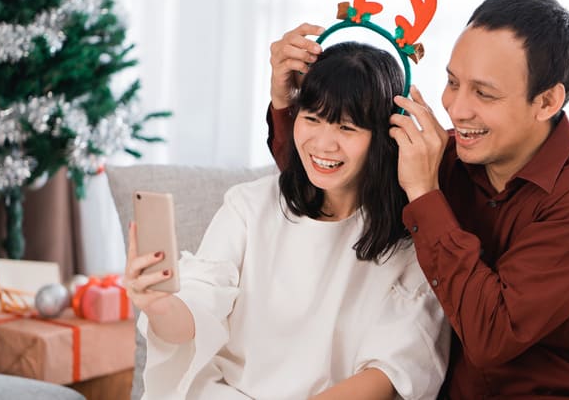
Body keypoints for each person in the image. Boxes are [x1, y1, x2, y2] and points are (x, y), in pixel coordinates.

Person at [268, 0, 569, 398]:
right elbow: (331, 182)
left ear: (546, 101)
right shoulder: (446, 157)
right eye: (453, 82)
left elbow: (492, 335)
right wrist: (285, 99)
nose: (455, 108)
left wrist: (424, 192)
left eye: (484, 93)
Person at [125, 42, 450, 400]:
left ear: (388, 135)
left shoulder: (411, 240)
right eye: (312, 119)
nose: (323, 144)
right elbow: (198, 307)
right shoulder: (249, 206)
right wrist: (158, 305)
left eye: (346, 128)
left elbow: (390, 371)